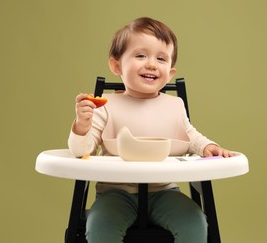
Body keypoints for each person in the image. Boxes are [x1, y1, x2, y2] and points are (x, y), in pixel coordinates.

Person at [68, 17, 234, 243]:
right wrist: (82, 125)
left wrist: (208, 147)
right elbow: (81, 151)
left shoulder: (174, 105)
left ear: (170, 72)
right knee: (100, 228)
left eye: (161, 58)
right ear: (117, 65)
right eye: (140, 55)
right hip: (115, 194)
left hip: (164, 192)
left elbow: (191, 136)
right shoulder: (106, 106)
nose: (152, 64)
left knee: (195, 223)